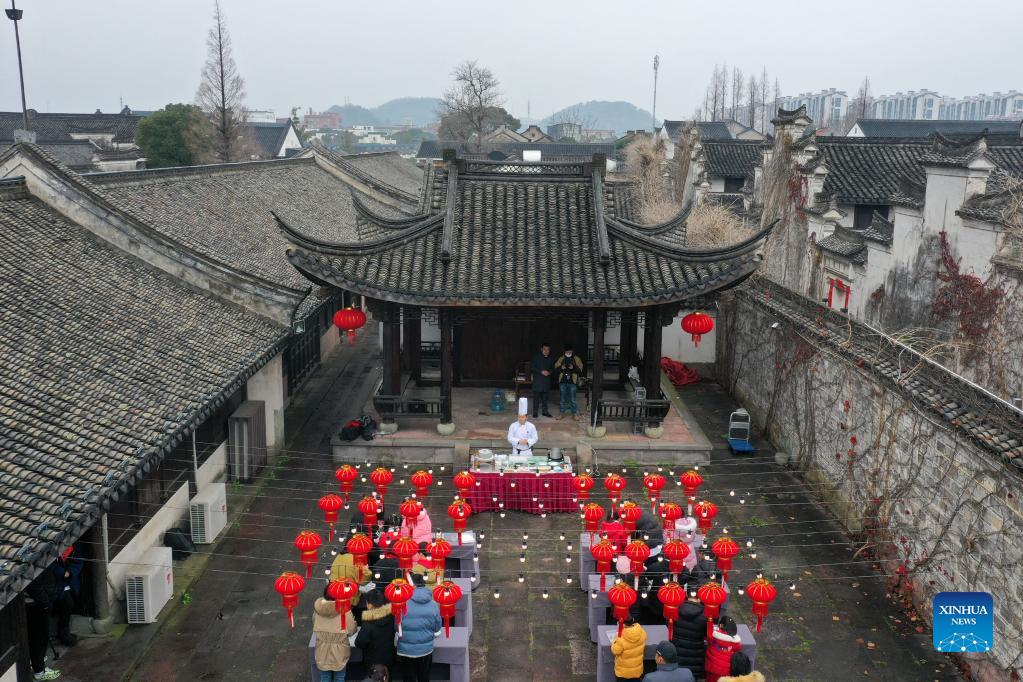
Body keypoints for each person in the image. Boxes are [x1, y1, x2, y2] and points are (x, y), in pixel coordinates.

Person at [395, 573, 442, 682]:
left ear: (412, 585)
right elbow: (437, 626)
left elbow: (397, 626)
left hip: (406, 650)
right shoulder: (433, 604)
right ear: (424, 584)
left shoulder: (402, 603)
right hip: (425, 649)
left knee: (408, 678)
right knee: (424, 677)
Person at [313, 585, 357, 682]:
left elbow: (314, 624)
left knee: (324, 677)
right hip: (340, 650)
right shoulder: (345, 610)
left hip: (322, 649)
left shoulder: (318, 609)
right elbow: (351, 630)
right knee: (339, 677)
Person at [25, 570, 60, 680]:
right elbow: (34, 587)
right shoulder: (31, 568)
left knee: (38, 638)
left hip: (36, 603)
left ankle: (38, 662)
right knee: (38, 638)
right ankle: (40, 672)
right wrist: (46, 603)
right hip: (35, 605)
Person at [355, 588, 396, 682]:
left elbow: (359, 643)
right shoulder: (391, 617)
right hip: (388, 658)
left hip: (372, 662)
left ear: (370, 605)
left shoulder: (368, 624)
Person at [49, 545, 83, 646]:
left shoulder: (73, 548)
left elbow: (79, 561)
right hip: (57, 585)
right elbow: (50, 566)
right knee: (66, 605)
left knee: (68, 606)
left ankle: (64, 634)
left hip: (70, 582)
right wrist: (62, 573)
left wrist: (70, 572)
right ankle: (63, 635)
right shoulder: (50, 550)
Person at [670, 589, 707, 679]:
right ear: (700, 597)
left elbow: (670, 627)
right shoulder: (705, 615)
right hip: (695, 657)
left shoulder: (675, 610)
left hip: (678, 655)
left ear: (686, 593)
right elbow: (707, 634)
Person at [705, 616, 742, 682]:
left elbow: (708, 633)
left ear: (721, 625)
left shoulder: (712, 636)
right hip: (726, 672)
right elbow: (738, 649)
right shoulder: (735, 643)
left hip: (712, 668)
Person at [610, 616, 646, 681]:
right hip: (637, 671)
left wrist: (615, 639)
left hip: (623, 674)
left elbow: (615, 651)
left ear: (623, 624)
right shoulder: (642, 632)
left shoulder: (620, 638)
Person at [554, 344, 584, 420]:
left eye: (569, 351)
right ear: (564, 351)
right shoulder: (561, 358)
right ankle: (561, 413)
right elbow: (556, 368)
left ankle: (574, 414)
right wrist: (561, 367)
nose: (568, 352)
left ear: (572, 351)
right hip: (563, 381)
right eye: (567, 351)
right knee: (562, 398)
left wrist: (573, 367)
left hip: (572, 381)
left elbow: (580, 369)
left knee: (573, 399)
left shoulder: (576, 359)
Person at [530, 342, 555, 418]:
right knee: (536, 398)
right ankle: (535, 412)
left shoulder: (551, 358)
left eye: (548, 349)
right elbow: (532, 367)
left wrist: (549, 372)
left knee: (545, 398)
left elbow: (553, 368)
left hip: (546, 380)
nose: (546, 351)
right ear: (541, 349)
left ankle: (545, 411)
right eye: (544, 349)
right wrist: (541, 371)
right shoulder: (536, 357)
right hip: (538, 380)